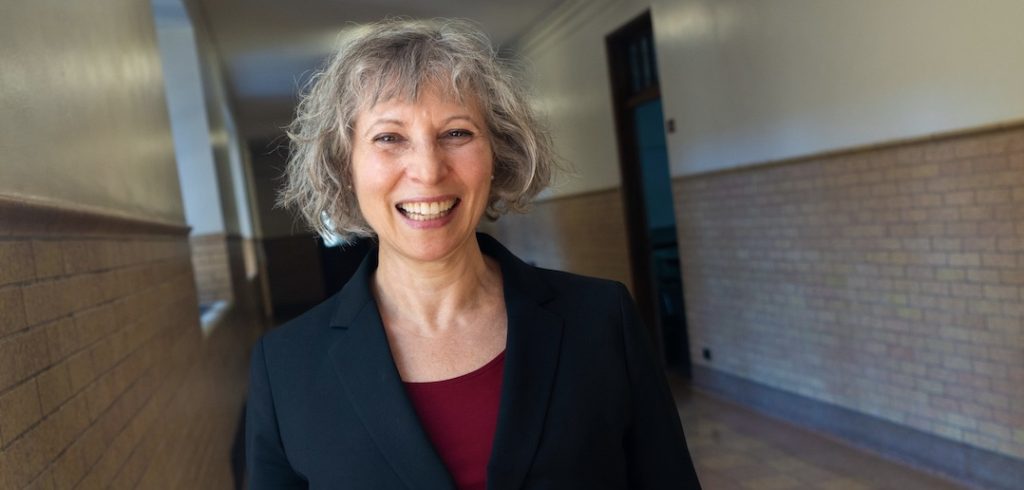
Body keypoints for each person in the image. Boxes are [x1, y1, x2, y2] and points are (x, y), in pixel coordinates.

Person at [246, 18, 702, 490]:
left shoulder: (603, 321)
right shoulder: (285, 369)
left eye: (457, 133)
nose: (428, 169)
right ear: (345, 165)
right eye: (389, 137)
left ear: (498, 153)